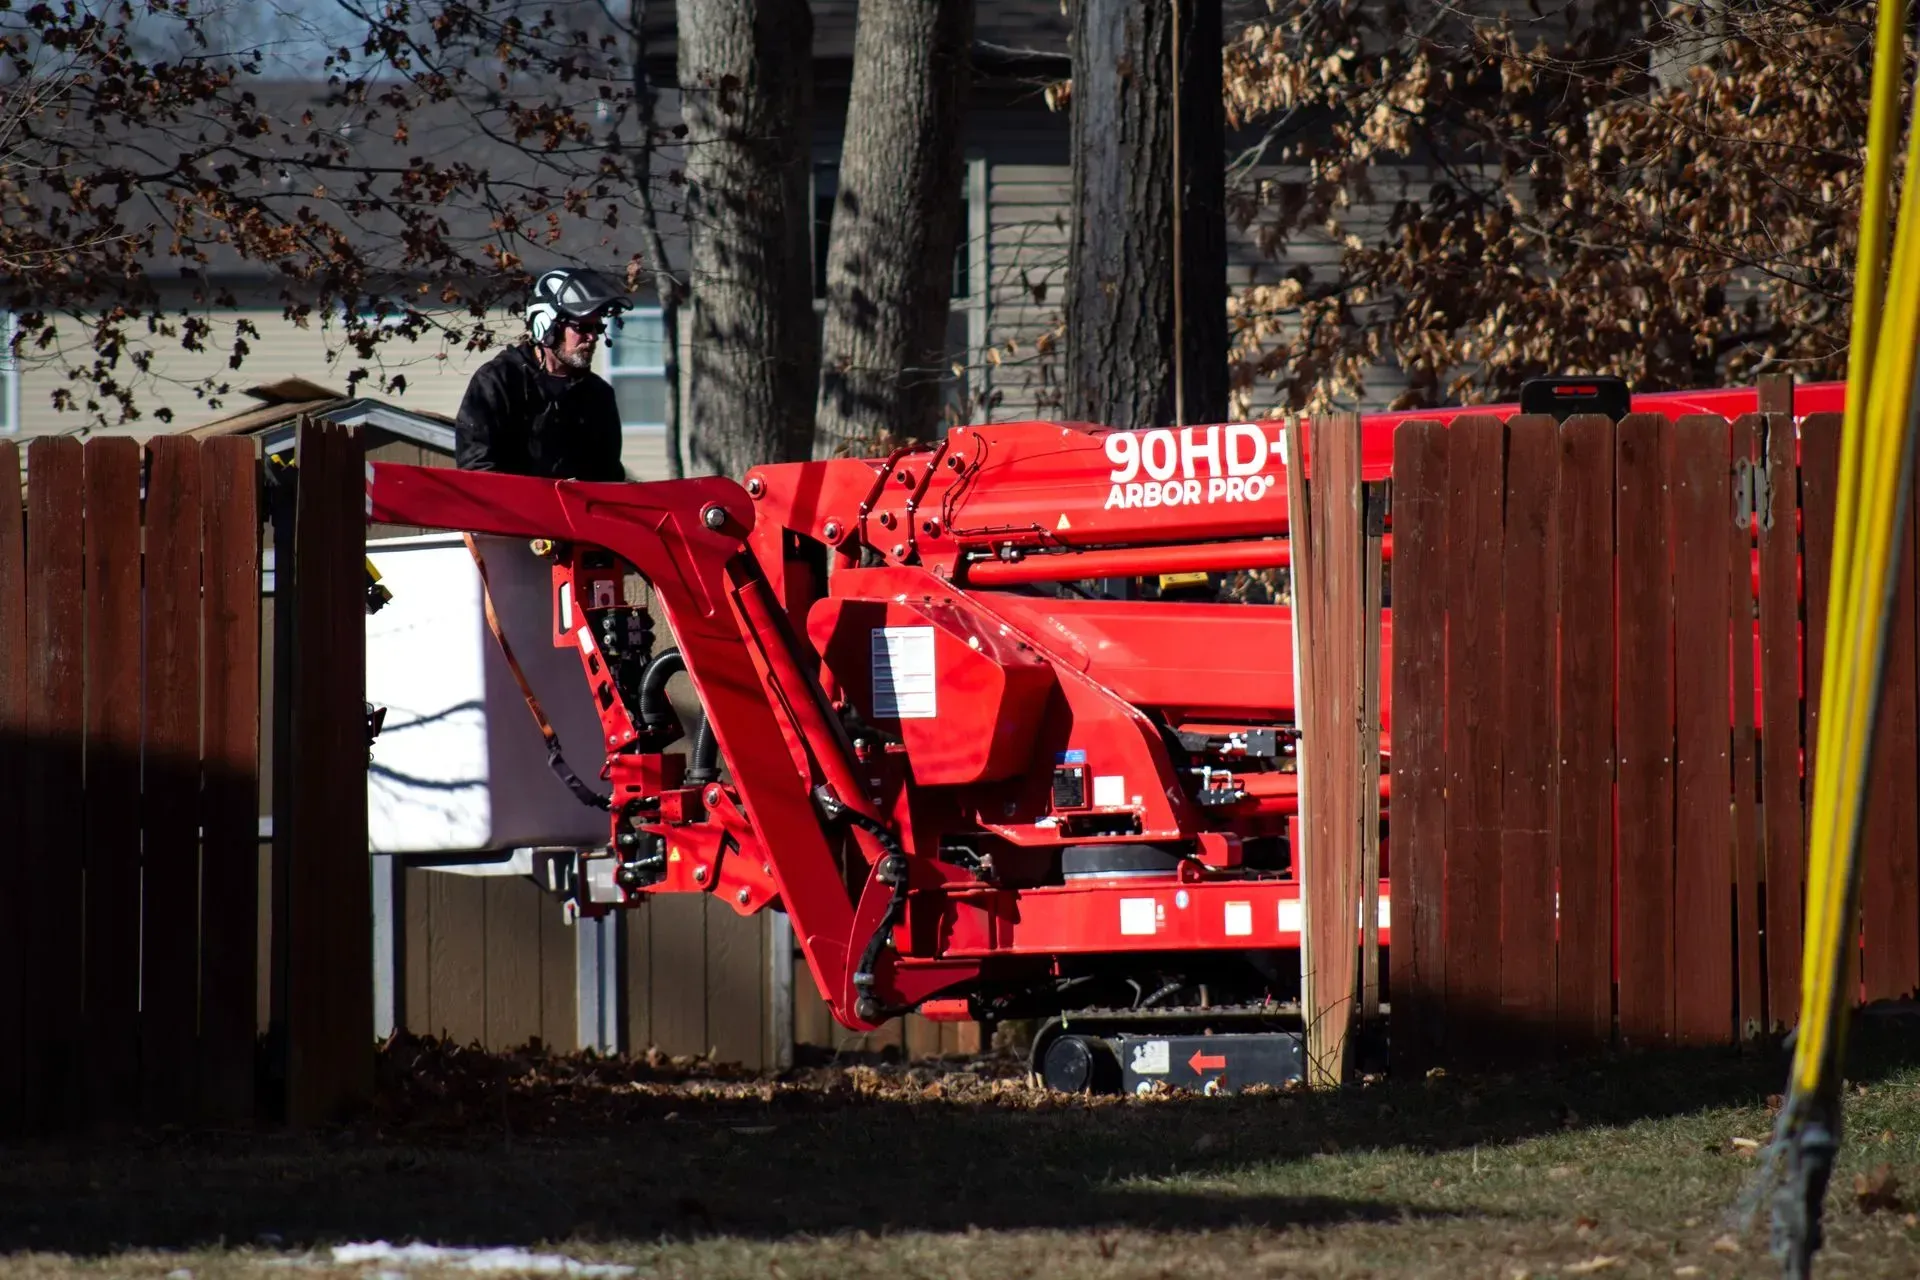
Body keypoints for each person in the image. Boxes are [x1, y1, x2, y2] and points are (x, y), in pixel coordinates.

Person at [455, 267, 632, 481]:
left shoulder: (597, 394)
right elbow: (477, 469)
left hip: (574, 513)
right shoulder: (497, 381)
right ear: (545, 326)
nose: (592, 337)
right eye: (584, 327)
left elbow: (608, 476)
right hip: (511, 511)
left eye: (597, 328)